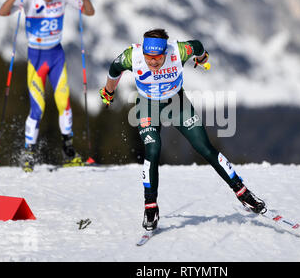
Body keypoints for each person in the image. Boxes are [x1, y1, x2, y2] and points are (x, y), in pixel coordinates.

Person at [99, 28, 266, 231]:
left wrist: (203, 58)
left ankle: (243, 193)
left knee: (205, 148)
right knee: (153, 149)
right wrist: (108, 91)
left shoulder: (178, 51)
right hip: (147, 106)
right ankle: (150, 207)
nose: (152, 62)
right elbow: (113, 70)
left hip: (177, 104)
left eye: (157, 58)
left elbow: (197, 45)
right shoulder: (131, 55)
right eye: (148, 57)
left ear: (165, 52)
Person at [0, 0, 95, 172]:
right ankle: (29, 153)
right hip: (37, 59)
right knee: (37, 108)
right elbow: (3, 11)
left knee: (64, 103)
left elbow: (88, 11)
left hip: (57, 56)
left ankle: (68, 151)